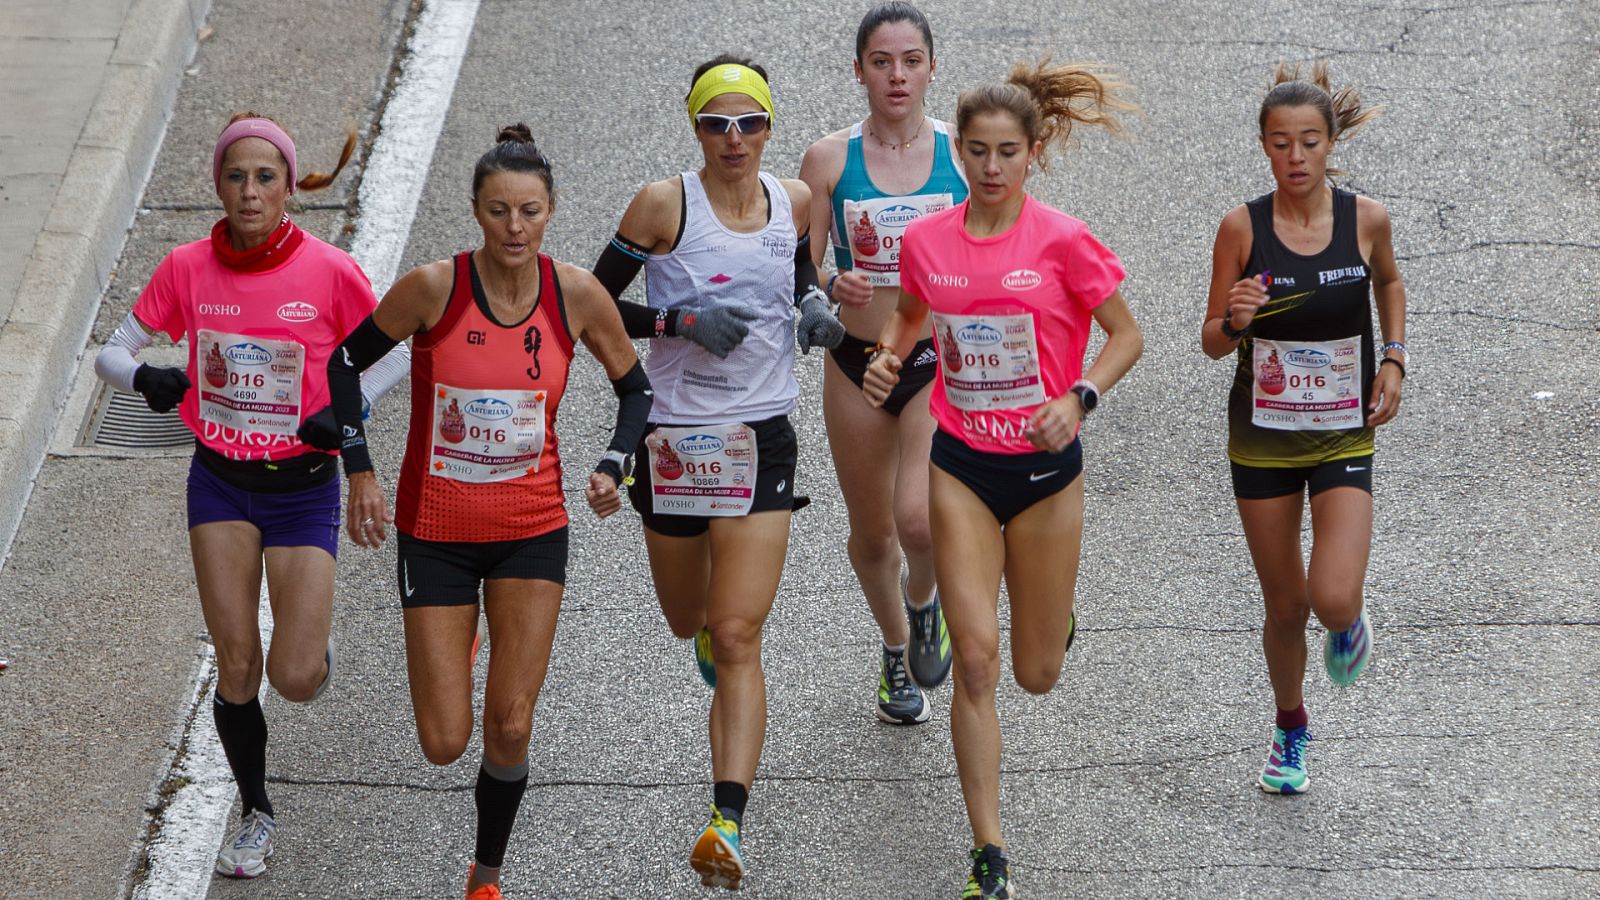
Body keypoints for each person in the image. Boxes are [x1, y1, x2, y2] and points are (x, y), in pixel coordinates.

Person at [299, 125, 650, 900]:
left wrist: (612, 466)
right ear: (476, 212)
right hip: (438, 535)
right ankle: (456, 639)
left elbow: (637, 390)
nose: (514, 229)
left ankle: (485, 878)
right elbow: (342, 362)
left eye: (529, 212)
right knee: (442, 741)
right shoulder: (434, 288)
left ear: (552, 211)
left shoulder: (577, 295)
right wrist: (358, 471)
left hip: (532, 532)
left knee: (512, 725)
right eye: (498, 212)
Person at [93, 113, 407, 878]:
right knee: (237, 664)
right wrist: (148, 378)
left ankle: (313, 650)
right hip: (220, 484)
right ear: (218, 186)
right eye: (236, 176)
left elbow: (397, 354)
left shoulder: (330, 272)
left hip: (302, 490)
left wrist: (349, 409)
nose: (250, 191)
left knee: (292, 678)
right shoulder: (187, 267)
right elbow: (110, 352)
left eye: (266, 177)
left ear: (291, 188)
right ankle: (257, 813)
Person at [864, 60, 1142, 900]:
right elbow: (912, 314)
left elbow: (1124, 336)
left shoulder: (1062, 239)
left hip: (1048, 473)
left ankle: (1053, 619)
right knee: (976, 664)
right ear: (963, 157)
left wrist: (1079, 398)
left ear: (1032, 155)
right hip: (963, 466)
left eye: (1007, 153)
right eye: (978, 152)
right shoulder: (928, 241)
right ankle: (989, 854)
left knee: (1035, 674)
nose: (990, 168)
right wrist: (888, 358)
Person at [589, 53, 843, 891]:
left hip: (759, 438)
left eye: (750, 123)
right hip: (671, 443)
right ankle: (701, 628)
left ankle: (725, 820)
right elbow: (588, 302)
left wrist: (812, 305)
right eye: (715, 124)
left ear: (770, 127)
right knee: (685, 618)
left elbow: (797, 266)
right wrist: (678, 319)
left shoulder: (795, 200)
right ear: (694, 127)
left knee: (739, 635)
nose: (733, 140)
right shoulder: (665, 204)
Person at [1201, 61, 1405, 796]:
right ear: (1264, 146)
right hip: (1262, 439)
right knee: (1285, 607)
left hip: (1344, 432)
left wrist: (1395, 358)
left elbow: (1387, 280)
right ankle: (1291, 728)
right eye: (1281, 143)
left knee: (1332, 597)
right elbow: (1211, 340)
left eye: (1309, 143)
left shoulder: (1367, 220)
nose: (1296, 157)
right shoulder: (1241, 229)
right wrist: (1236, 318)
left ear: (1329, 145)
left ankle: (1349, 623)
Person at [798, 1, 963, 725]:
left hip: (936, 358)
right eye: (881, 62)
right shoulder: (829, 159)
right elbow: (793, 273)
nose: (897, 76)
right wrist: (832, 285)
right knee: (873, 535)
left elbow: (1011, 248)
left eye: (911, 61)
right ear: (858, 70)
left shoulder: (964, 155)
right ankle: (896, 651)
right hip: (857, 359)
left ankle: (926, 607)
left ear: (932, 68)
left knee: (919, 522)